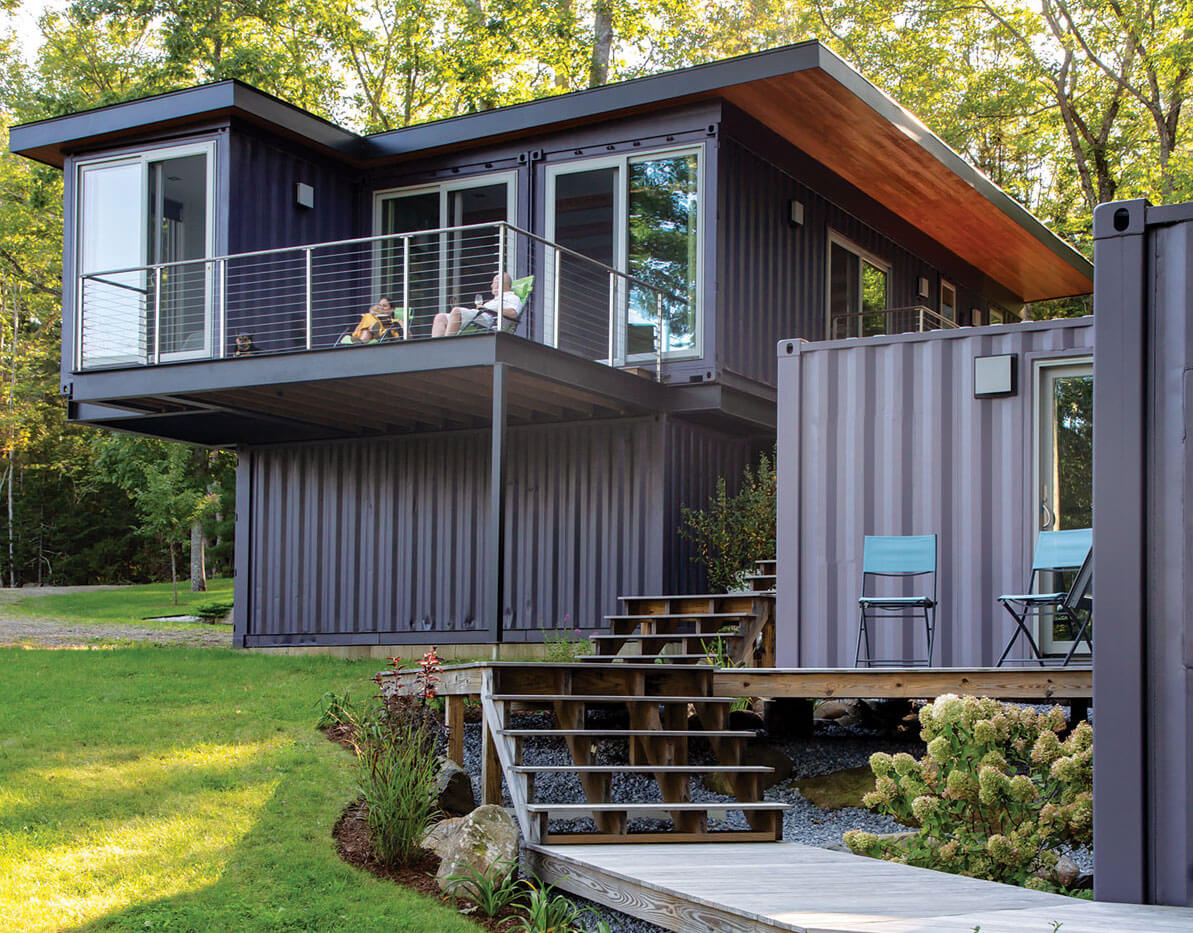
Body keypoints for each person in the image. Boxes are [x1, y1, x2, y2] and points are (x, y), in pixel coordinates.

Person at [432, 272, 522, 337]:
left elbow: (513, 313)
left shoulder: (512, 298)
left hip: (490, 321)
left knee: (456, 311)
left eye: (494, 282)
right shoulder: (493, 301)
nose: (491, 286)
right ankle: (436, 348)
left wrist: (487, 309)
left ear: (503, 283)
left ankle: (445, 346)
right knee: (440, 317)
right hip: (480, 317)